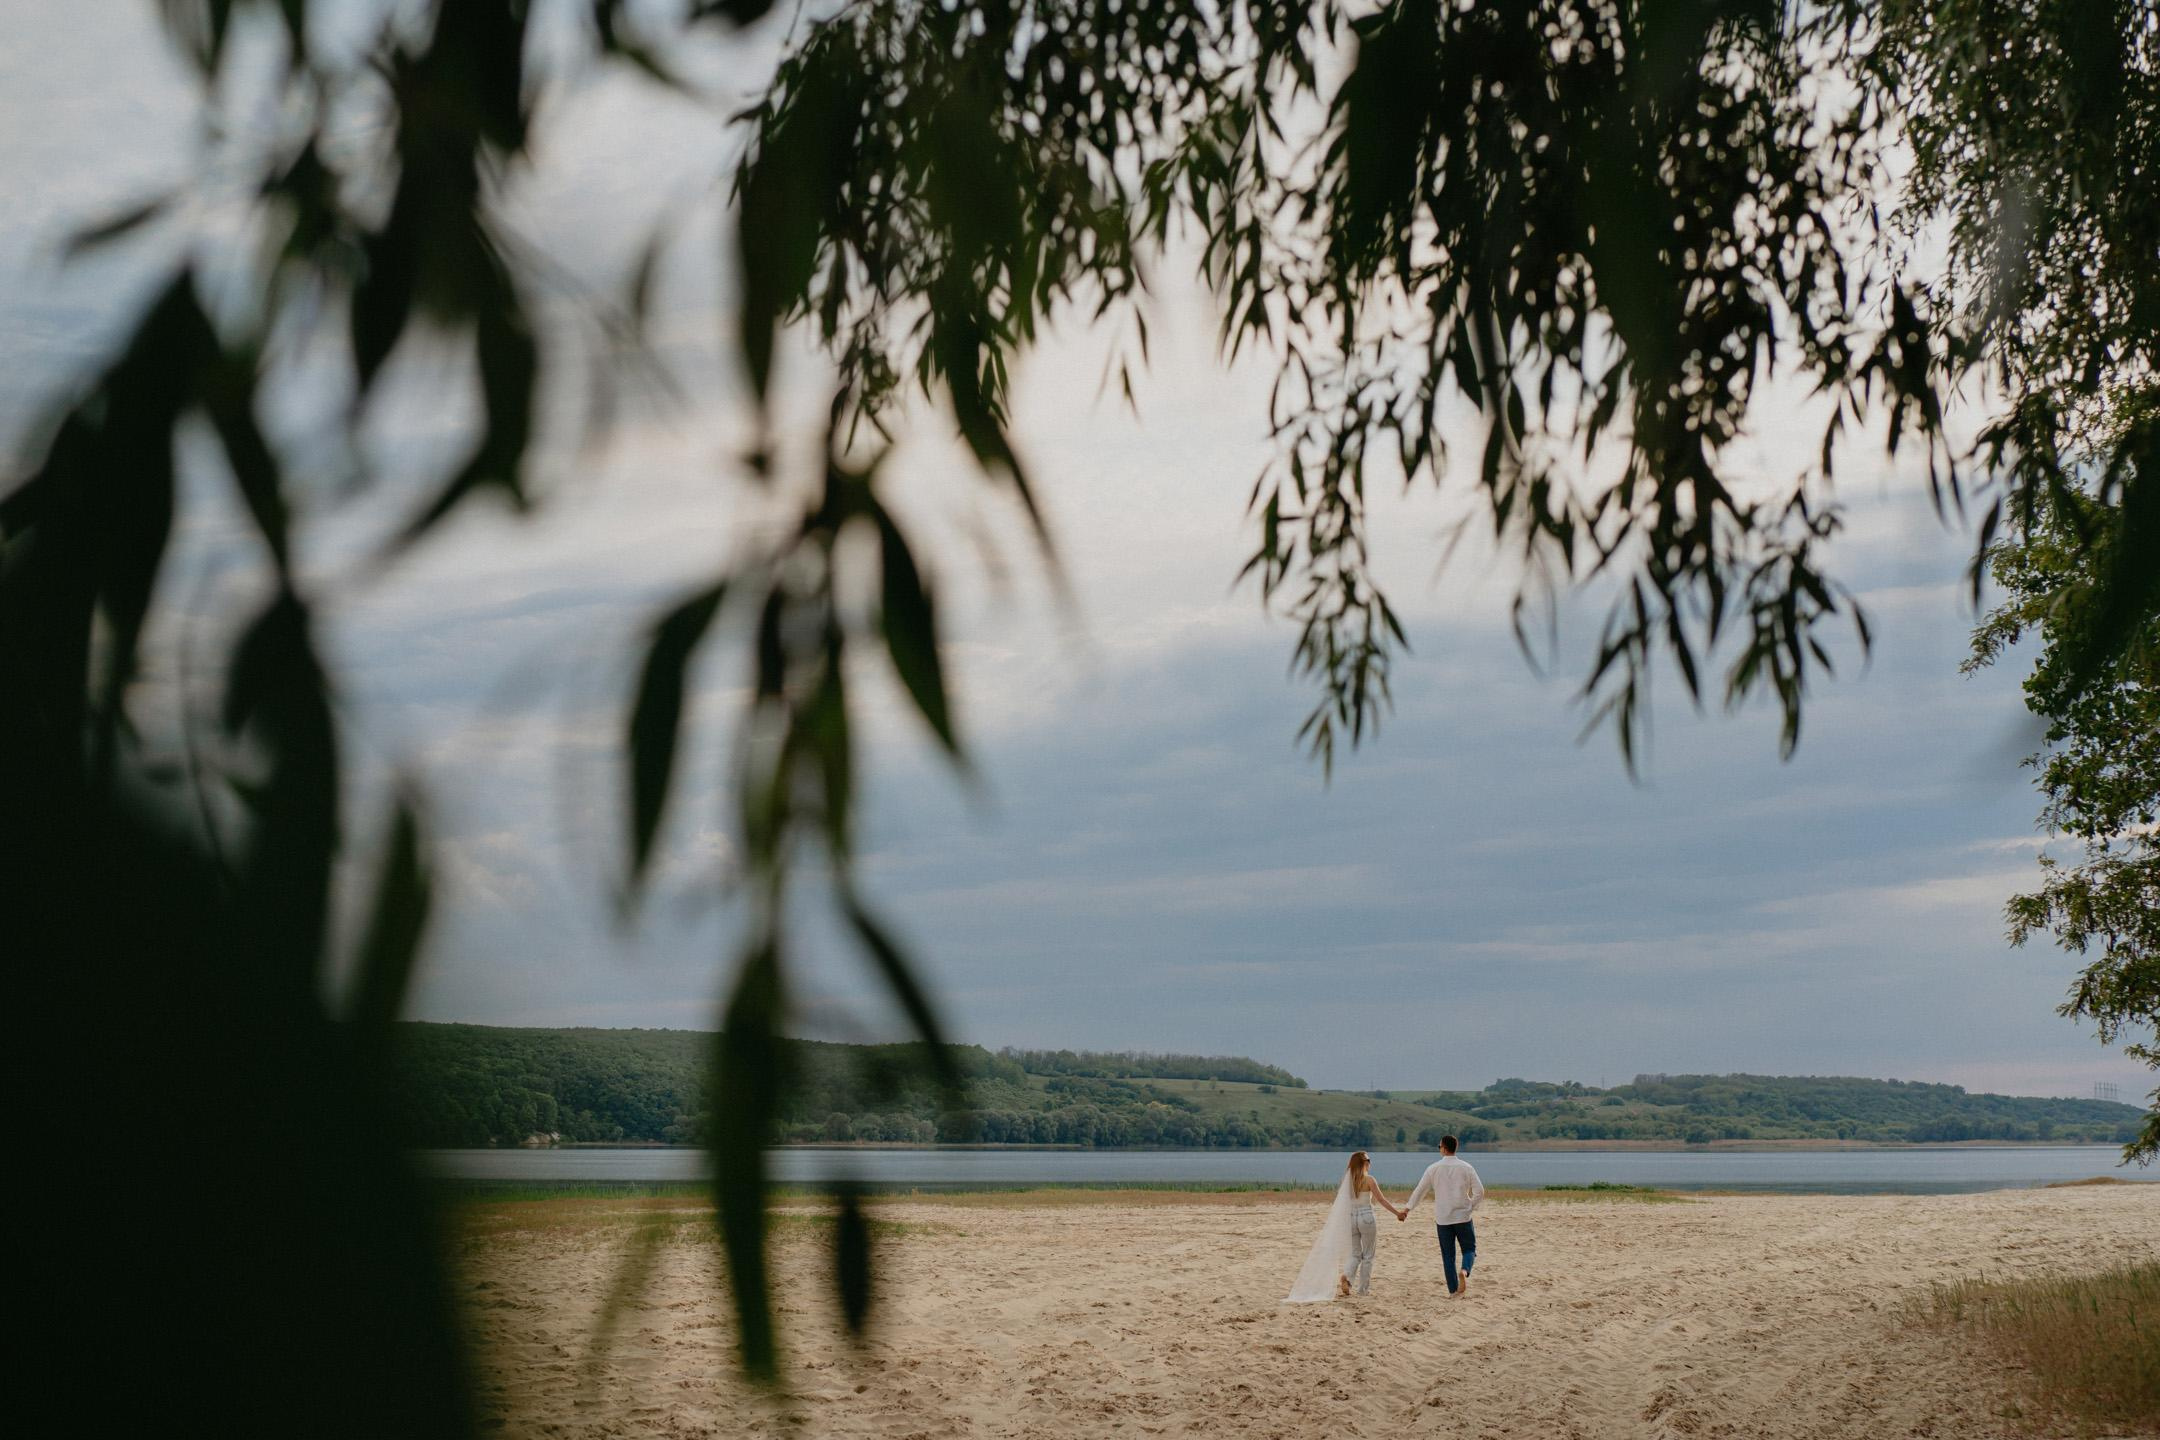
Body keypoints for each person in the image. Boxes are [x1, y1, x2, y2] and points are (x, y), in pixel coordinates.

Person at [1284, 1150, 1406, 1302]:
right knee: (1368, 1255)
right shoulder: (1369, 1180)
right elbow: (1381, 1200)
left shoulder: (1347, 1181)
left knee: (1355, 1254)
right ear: (1363, 1163)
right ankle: (1363, 1290)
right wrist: (1397, 1213)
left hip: (1351, 1219)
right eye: (1368, 1159)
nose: (1370, 1162)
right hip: (1366, 1217)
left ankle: (1347, 1277)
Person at [1398, 1134, 1485, 1297]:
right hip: (1463, 1217)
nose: (1439, 1149)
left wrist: (1407, 1209)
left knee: (1448, 1255)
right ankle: (1465, 1271)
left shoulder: (1433, 1168)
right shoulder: (1466, 1167)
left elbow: (1420, 1190)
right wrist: (1470, 1206)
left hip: (1443, 1218)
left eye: (1439, 1147)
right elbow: (1480, 1191)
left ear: (1444, 1148)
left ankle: (1453, 1290)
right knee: (1469, 1249)